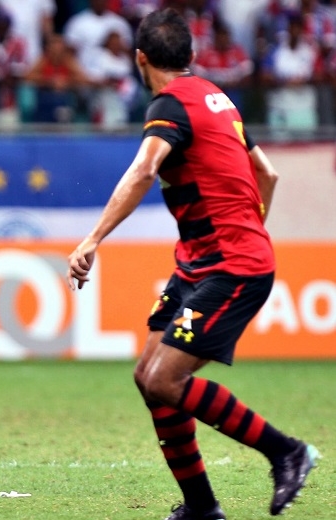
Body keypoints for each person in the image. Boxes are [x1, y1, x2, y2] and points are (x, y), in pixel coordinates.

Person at [66, 10, 318, 520]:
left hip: (230, 265)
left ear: (140, 59)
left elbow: (143, 171)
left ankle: (286, 451)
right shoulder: (215, 97)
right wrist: (251, 223)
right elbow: (266, 173)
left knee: (164, 381)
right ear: (192, 57)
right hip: (203, 262)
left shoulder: (168, 106)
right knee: (148, 375)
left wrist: (92, 239)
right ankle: (202, 507)